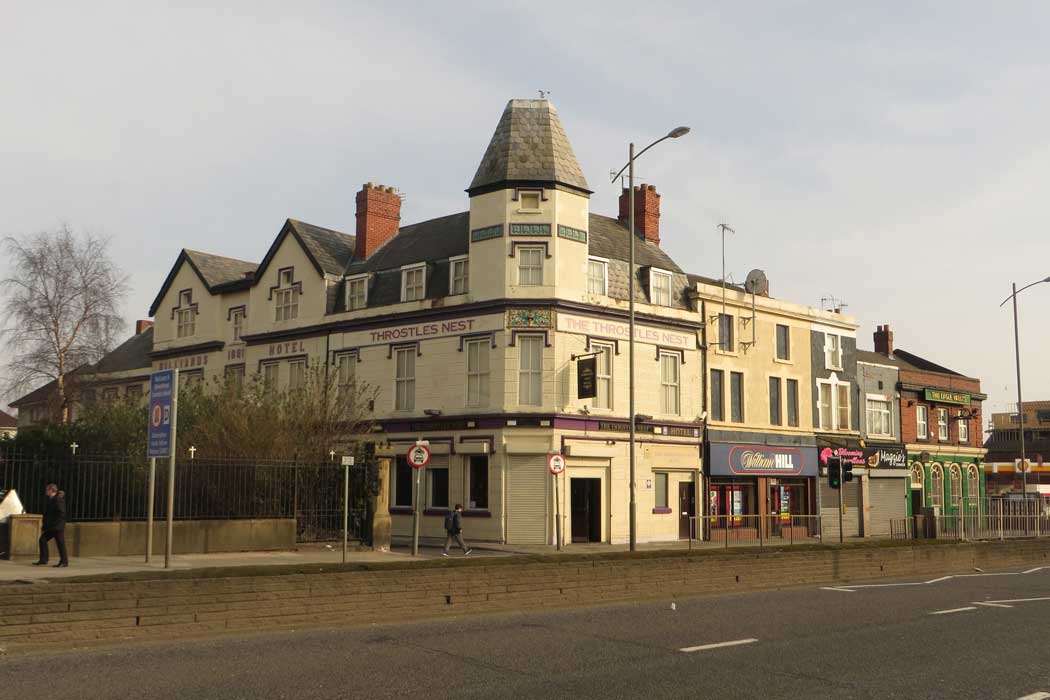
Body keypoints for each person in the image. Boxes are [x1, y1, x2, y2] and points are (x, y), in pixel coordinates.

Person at [34, 483, 68, 567]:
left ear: (51, 490)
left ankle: (63, 562)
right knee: (44, 540)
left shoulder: (57, 499)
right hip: (53, 526)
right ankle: (44, 560)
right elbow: (49, 514)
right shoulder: (52, 499)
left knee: (58, 543)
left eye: (47, 490)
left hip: (56, 527)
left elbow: (62, 513)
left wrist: (55, 525)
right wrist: (45, 525)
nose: (46, 491)